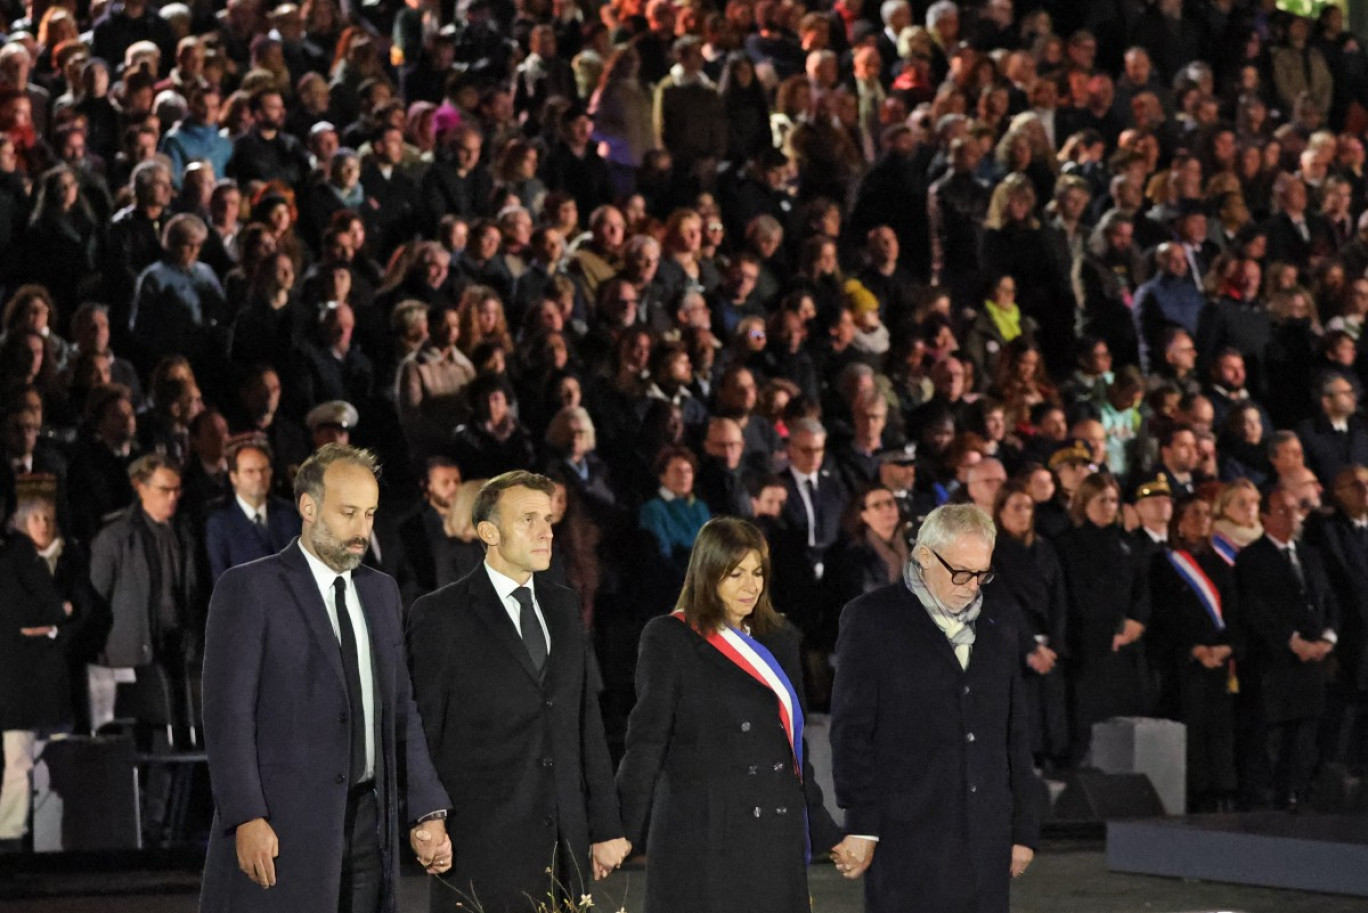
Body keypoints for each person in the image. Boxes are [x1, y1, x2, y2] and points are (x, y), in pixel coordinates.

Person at [200, 443, 453, 912]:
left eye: (371, 514)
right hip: (282, 826)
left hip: (368, 827)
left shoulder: (380, 592)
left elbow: (400, 710)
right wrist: (246, 816)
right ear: (308, 507)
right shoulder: (251, 588)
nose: (362, 530)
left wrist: (426, 809)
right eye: (349, 513)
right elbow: (227, 715)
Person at [406, 471, 629, 913]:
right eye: (529, 519)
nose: (547, 531)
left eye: (547, 519)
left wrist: (605, 825)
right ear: (488, 531)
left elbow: (584, 721)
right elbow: (420, 730)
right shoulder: (439, 616)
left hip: (564, 849)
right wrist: (425, 818)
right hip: (479, 849)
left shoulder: (564, 605)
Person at [616, 516, 859, 913]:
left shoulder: (779, 638)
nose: (752, 586)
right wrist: (620, 829)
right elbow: (646, 742)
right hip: (706, 838)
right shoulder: (669, 637)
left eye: (757, 572)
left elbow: (793, 755)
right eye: (736, 574)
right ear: (707, 574)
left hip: (775, 840)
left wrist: (826, 832)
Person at [831, 503, 1043, 913]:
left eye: (982, 573)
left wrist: (1023, 828)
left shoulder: (1000, 622)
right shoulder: (872, 619)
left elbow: (1014, 732)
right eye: (960, 571)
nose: (971, 585)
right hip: (906, 835)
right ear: (925, 555)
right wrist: (862, 823)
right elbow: (851, 732)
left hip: (987, 837)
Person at [1234, 486, 1338, 810]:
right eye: (1283, 509)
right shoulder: (1252, 558)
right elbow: (1256, 609)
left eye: (1296, 509)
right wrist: (1292, 642)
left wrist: (1327, 638)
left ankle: (1296, 793)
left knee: (1304, 736)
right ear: (1265, 516)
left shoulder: (1310, 555)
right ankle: (1267, 801)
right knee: (1270, 737)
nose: (1292, 515)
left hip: (1310, 664)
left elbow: (1329, 600)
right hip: (1273, 665)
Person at [1150, 494, 1239, 812]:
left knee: (1223, 728)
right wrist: (1194, 648)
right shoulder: (1166, 563)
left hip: (1223, 658)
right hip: (1186, 662)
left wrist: (1229, 645)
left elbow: (1236, 609)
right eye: (1194, 514)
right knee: (1194, 727)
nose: (1202, 520)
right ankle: (1197, 793)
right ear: (1180, 522)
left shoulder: (1223, 563)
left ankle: (1223, 789)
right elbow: (1164, 615)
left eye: (1206, 514)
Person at [1055, 472, 1151, 763]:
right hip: (1087, 647)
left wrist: (1136, 621)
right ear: (1084, 503)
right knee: (1089, 721)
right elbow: (1072, 596)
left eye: (1113, 500)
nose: (1109, 506)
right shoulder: (1067, 544)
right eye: (1101, 500)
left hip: (1126, 647)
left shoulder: (1128, 543)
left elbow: (1142, 589)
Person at [984, 480, 1069, 769]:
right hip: (1015, 650)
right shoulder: (991, 552)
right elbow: (1002, 602)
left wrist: (1055, 644)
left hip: (1048, 650)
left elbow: (1060, 599)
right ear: (1001, 511)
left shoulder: (1046, 549)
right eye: (1016, 507)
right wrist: (1030, 648)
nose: (1024, 514)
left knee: (1050, 725)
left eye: (1029, 507)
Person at [203, 439, 300, 583]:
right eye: (250, 471)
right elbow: (222, 582)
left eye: (263, 470)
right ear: (234, 477)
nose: (259, 477)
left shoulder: (289, 514)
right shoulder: (220, 523)